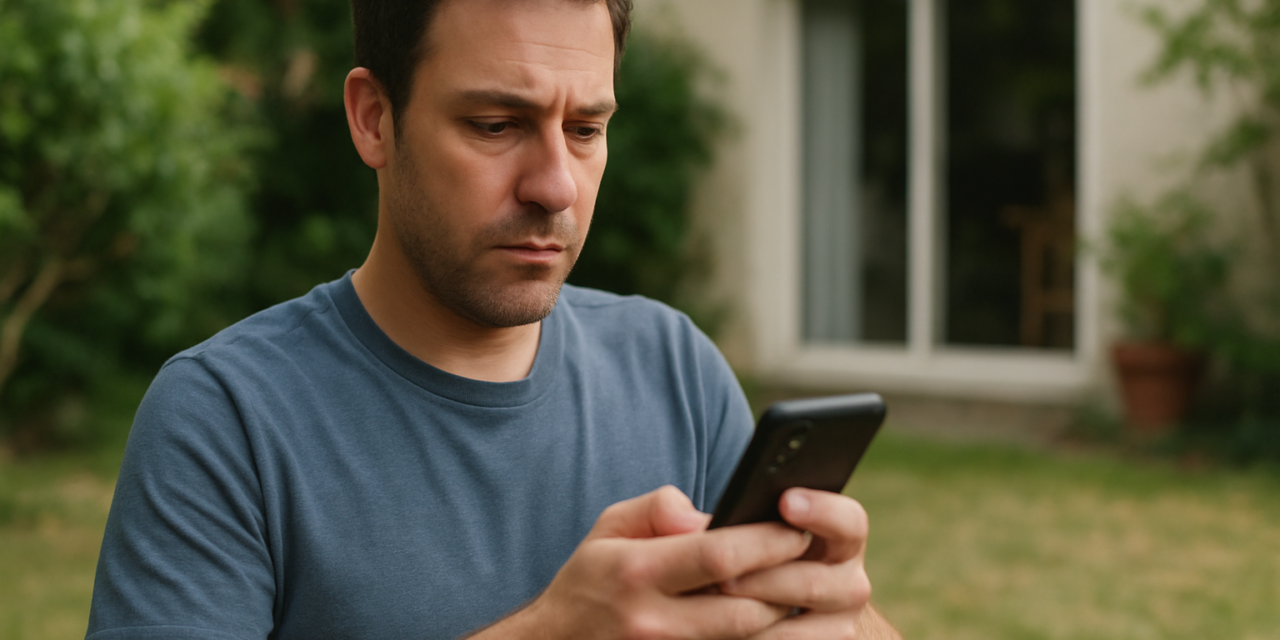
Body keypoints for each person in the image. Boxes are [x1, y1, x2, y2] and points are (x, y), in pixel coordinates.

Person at [87, 0, 900, 638]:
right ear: (374, 117)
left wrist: (844, 616)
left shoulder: (675, 368)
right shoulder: (225, 418)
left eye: (585, 129)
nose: (556, 185)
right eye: (496, 125)